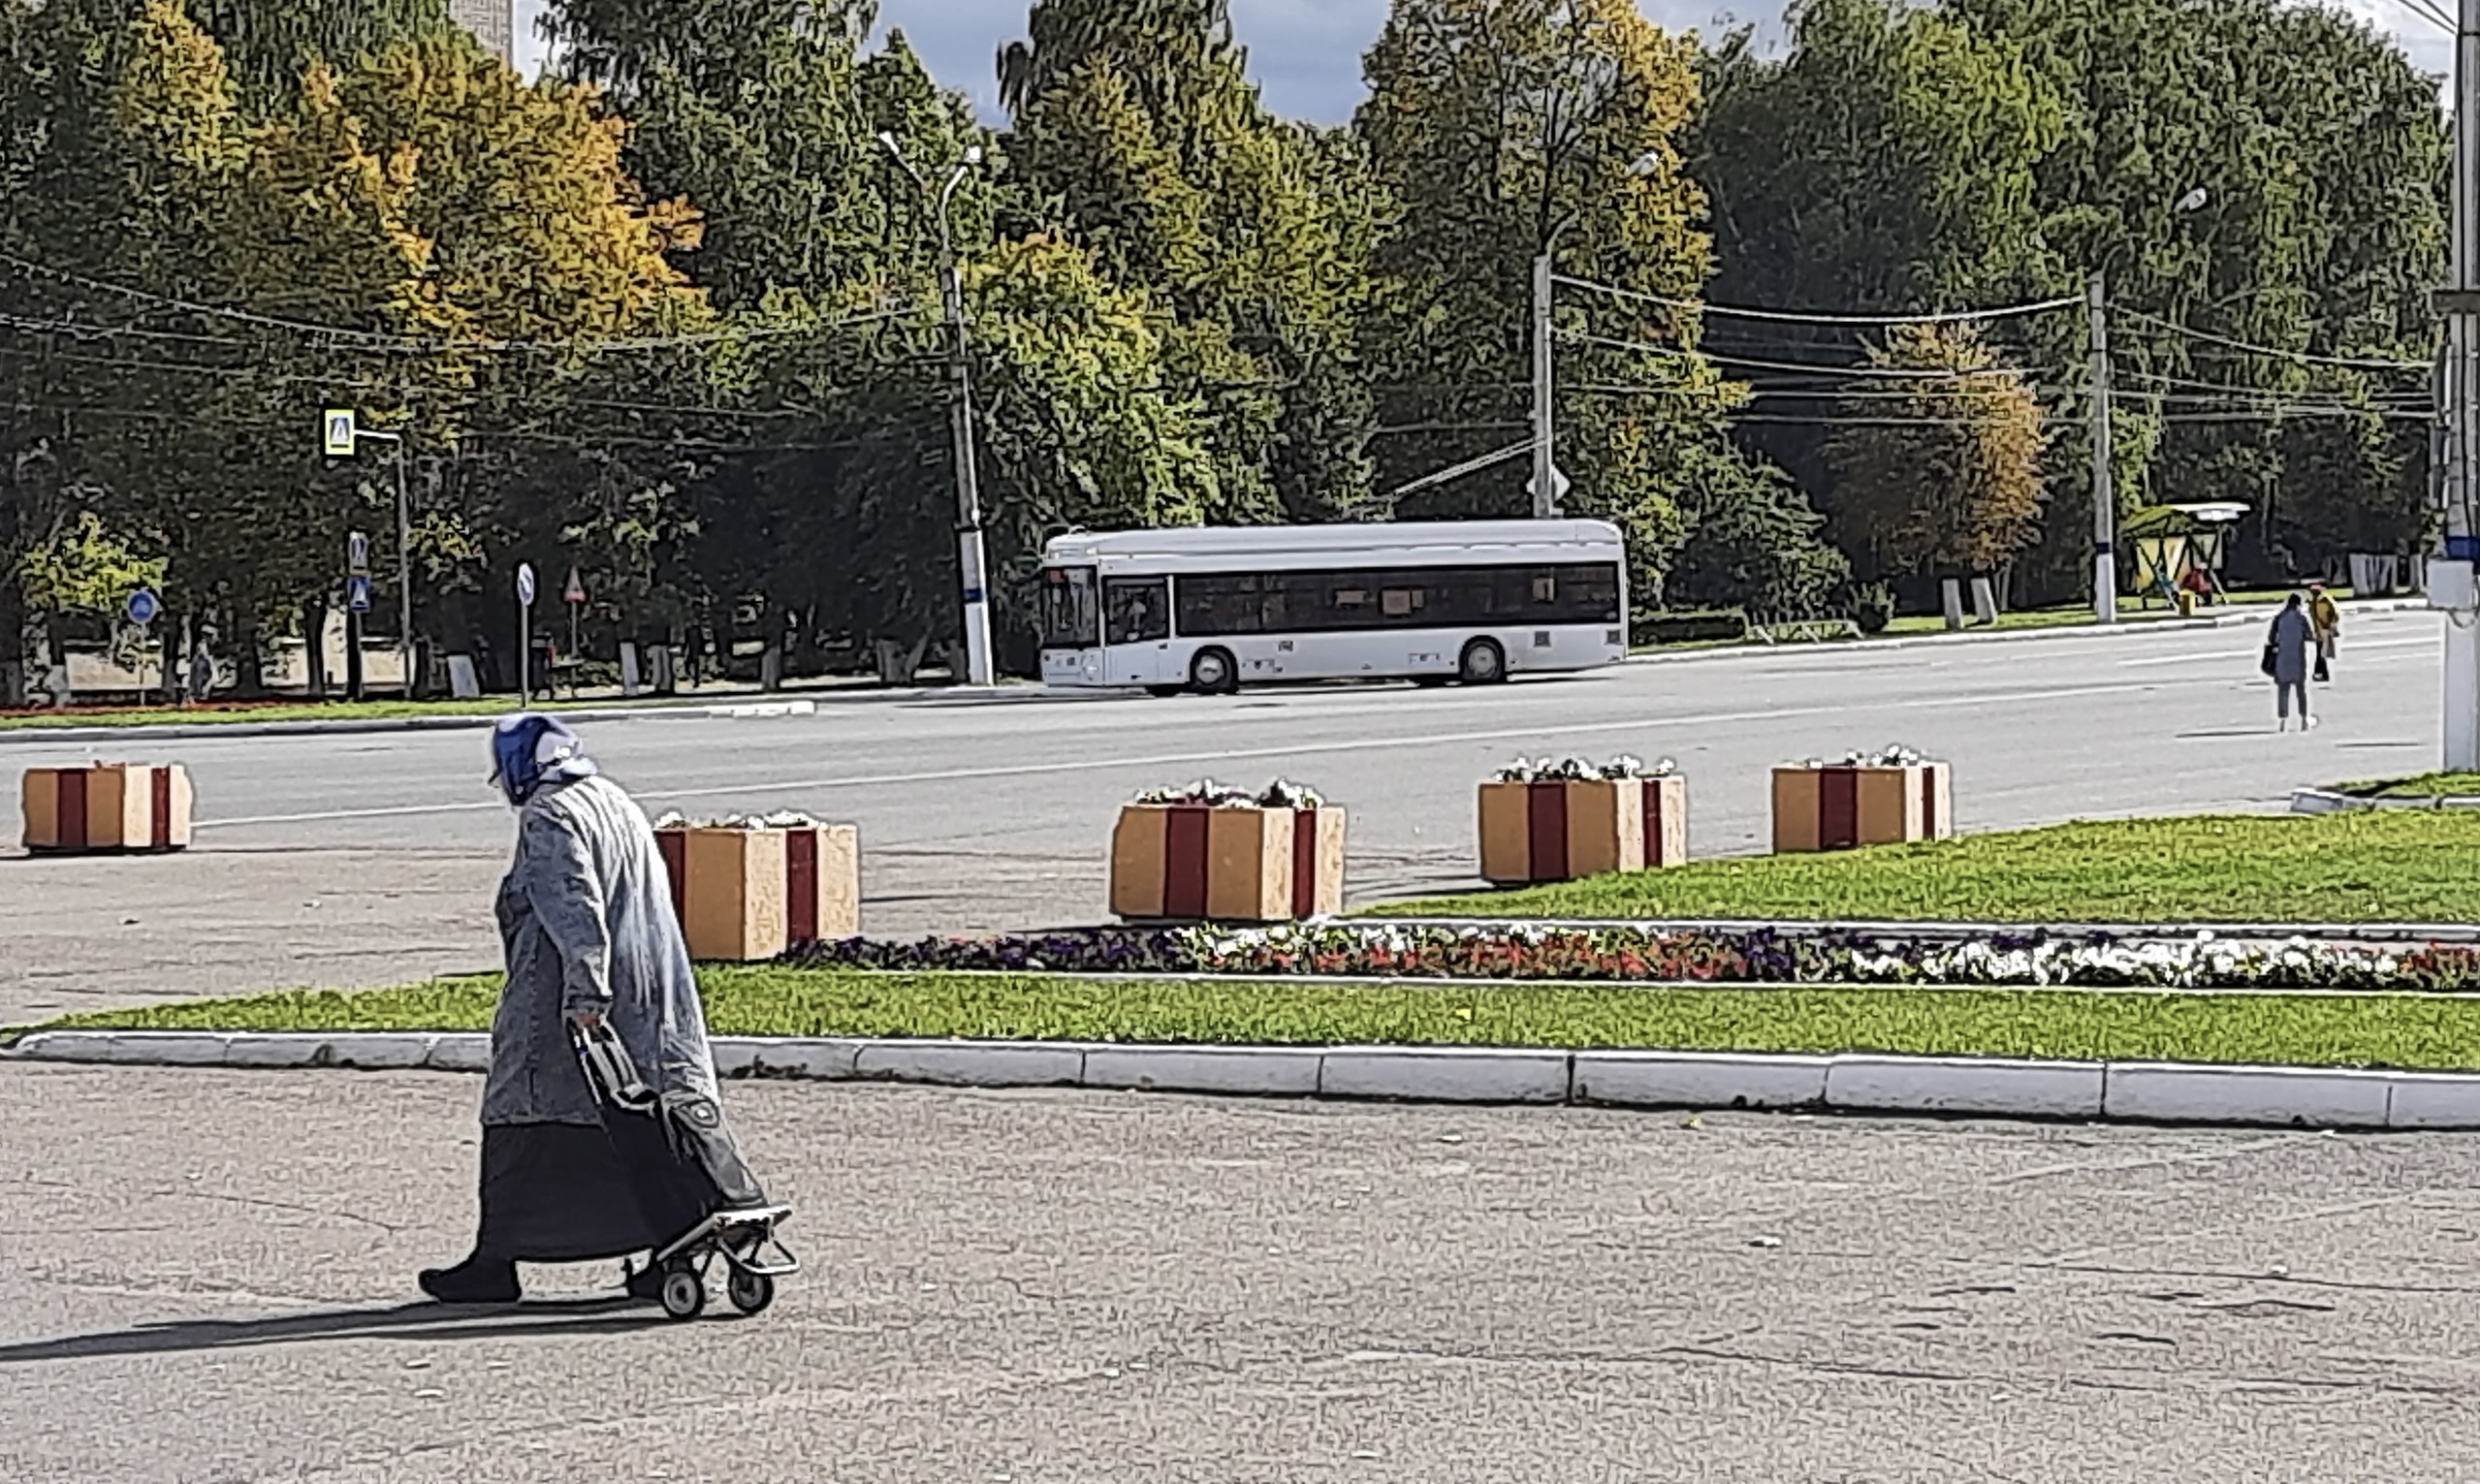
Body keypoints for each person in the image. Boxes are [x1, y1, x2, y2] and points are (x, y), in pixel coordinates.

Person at [419, 713, 771, 1305]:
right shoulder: (611, 798)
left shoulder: (550, 814)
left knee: (522, 1119)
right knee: (643, 1126)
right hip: (653, 989)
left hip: (566, 1001)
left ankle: (494, 1260)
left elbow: (573, 905)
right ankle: (669, 1248)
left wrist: (585, 994)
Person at [2266, 593, 2316, 732]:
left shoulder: (2279, 618)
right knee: (2301, 690)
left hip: (2282, 658)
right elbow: (2310, 636)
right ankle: (2304, 720)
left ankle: (2283, 721)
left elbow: (2271, 639)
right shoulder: (2301, 619)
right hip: (2298, 658)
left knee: (2283, 690)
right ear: (2299, 604)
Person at [2307, 582, 2341, 681]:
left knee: (2321, 652)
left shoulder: (2326, 601)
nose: (2314, 594)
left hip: (2326, 629)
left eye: (2315, 592)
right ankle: (2322, 673)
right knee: (2320, 652)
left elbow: (2335, 614)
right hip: (2319, 630)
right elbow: (2314, 618)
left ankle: (2319, 673)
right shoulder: (2313, 603)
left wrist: (2332, 625)